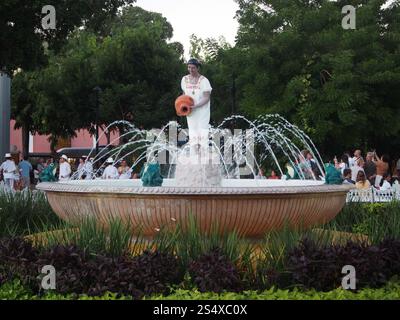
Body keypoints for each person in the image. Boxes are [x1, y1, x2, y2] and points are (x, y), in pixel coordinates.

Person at [181, 58, 212, 149]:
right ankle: (194, 155)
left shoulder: (204, 80)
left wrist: (196, 106)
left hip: (202, 110)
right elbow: (184, 94)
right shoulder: (184, 79)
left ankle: (203, 155)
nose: (191, 70)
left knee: (202, 132)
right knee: (193, 132)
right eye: (189, 67)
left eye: (193, 68)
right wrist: (182, 104)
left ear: (198, 68)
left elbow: (206, 98)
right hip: (190, 110)